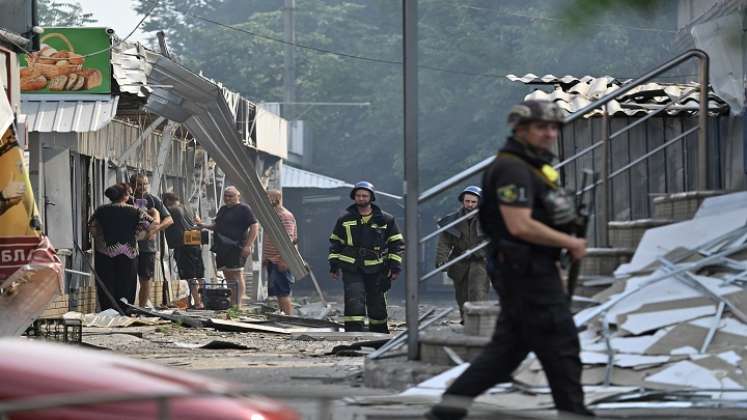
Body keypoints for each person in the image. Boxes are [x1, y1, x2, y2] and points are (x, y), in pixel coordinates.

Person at [428, 100, 593, 419]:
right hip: (524, 272)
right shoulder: (512, 169)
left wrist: (555, 260)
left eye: (553, 128)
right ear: (520, 130)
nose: (549, 134)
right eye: (541, 127)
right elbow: (520, 224)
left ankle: (445, 412)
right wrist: (570, 242)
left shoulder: (534, 166)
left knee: (506, 352)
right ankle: (574, 413)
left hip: (533, 267)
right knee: (562, 344)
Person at [328, 181, 404, 333]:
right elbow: (335, 242)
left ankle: (379, 334)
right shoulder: (344, 219)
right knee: (354, 300)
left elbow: (397, 244)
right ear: (354, 197)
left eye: (365, 195)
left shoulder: (386, 219)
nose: (361, 198)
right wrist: (334, 265)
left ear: (371, 197)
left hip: (377, 268)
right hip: (351, 266)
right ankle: (354, 333)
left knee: (377, 304)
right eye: (358, 195)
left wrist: (394, 267)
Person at [88, 183, 157, 311]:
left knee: (106, 282)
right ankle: (125, 310)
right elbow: (152, 225)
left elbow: (91, 227)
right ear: (125, 196)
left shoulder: (101, 210)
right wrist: (138, 235)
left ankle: (108, 310)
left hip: (105, 252)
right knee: (127, 283)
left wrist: (99, 240)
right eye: (129, 194)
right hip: (129, 252)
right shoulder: (135, 210)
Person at [435, 185, 489, 322]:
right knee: (461, 295)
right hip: (459, 261)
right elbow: (444, 242)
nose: (470, 205)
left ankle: (478, 323)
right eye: (467, 201)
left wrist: (477, 252)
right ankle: (465, 321)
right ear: (463, 201)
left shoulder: (489, 220)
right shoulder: (453, 220)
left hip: (480, 262)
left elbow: (492, 241)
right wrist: (442, 259)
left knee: (478, 292)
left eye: (473, 202)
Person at [202, 186, 259, 309]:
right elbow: (216, 225)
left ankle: (238, 304)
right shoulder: (223, 209)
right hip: (222, 246)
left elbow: (254, 226)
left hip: (236, 246)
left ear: (237, 196)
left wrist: (248, 245)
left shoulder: (244, 209)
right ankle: (232, 302)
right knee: (227, 275)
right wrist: (203, 225)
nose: (227, 198)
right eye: (226, 196)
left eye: (230, 196)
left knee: (237, 274)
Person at [129, 174, 173, 307]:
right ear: (132, 185)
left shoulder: (153, 200)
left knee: (145, 278)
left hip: (147, 247)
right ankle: (127, 308)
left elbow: (169, 219)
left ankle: (142, 308)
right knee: (128, 278)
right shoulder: (127, 199)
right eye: (139, 184)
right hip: (128, 246)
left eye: (145, 184)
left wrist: (155, 229)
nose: (142, 187)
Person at [162, 192, 205, 308]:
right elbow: (198, 221)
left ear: (167, 201)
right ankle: (204, 300)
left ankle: (197, 302)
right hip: (195, 242)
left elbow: (164, 221)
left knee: (189, 275)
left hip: (183, 245)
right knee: (199, 274)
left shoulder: (173, 211)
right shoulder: (188, 208)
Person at [262, 190, 298, 315]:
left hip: (280, 260)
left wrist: (284, 259)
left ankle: (288, 318)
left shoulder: (284, 216)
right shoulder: (272, 215)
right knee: (278, 291)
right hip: (273, 259)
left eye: (268, 198)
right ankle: (283, 316)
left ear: (276, 199)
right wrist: (267, 257)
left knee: (283, 291)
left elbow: (288, 240)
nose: (265, 200)